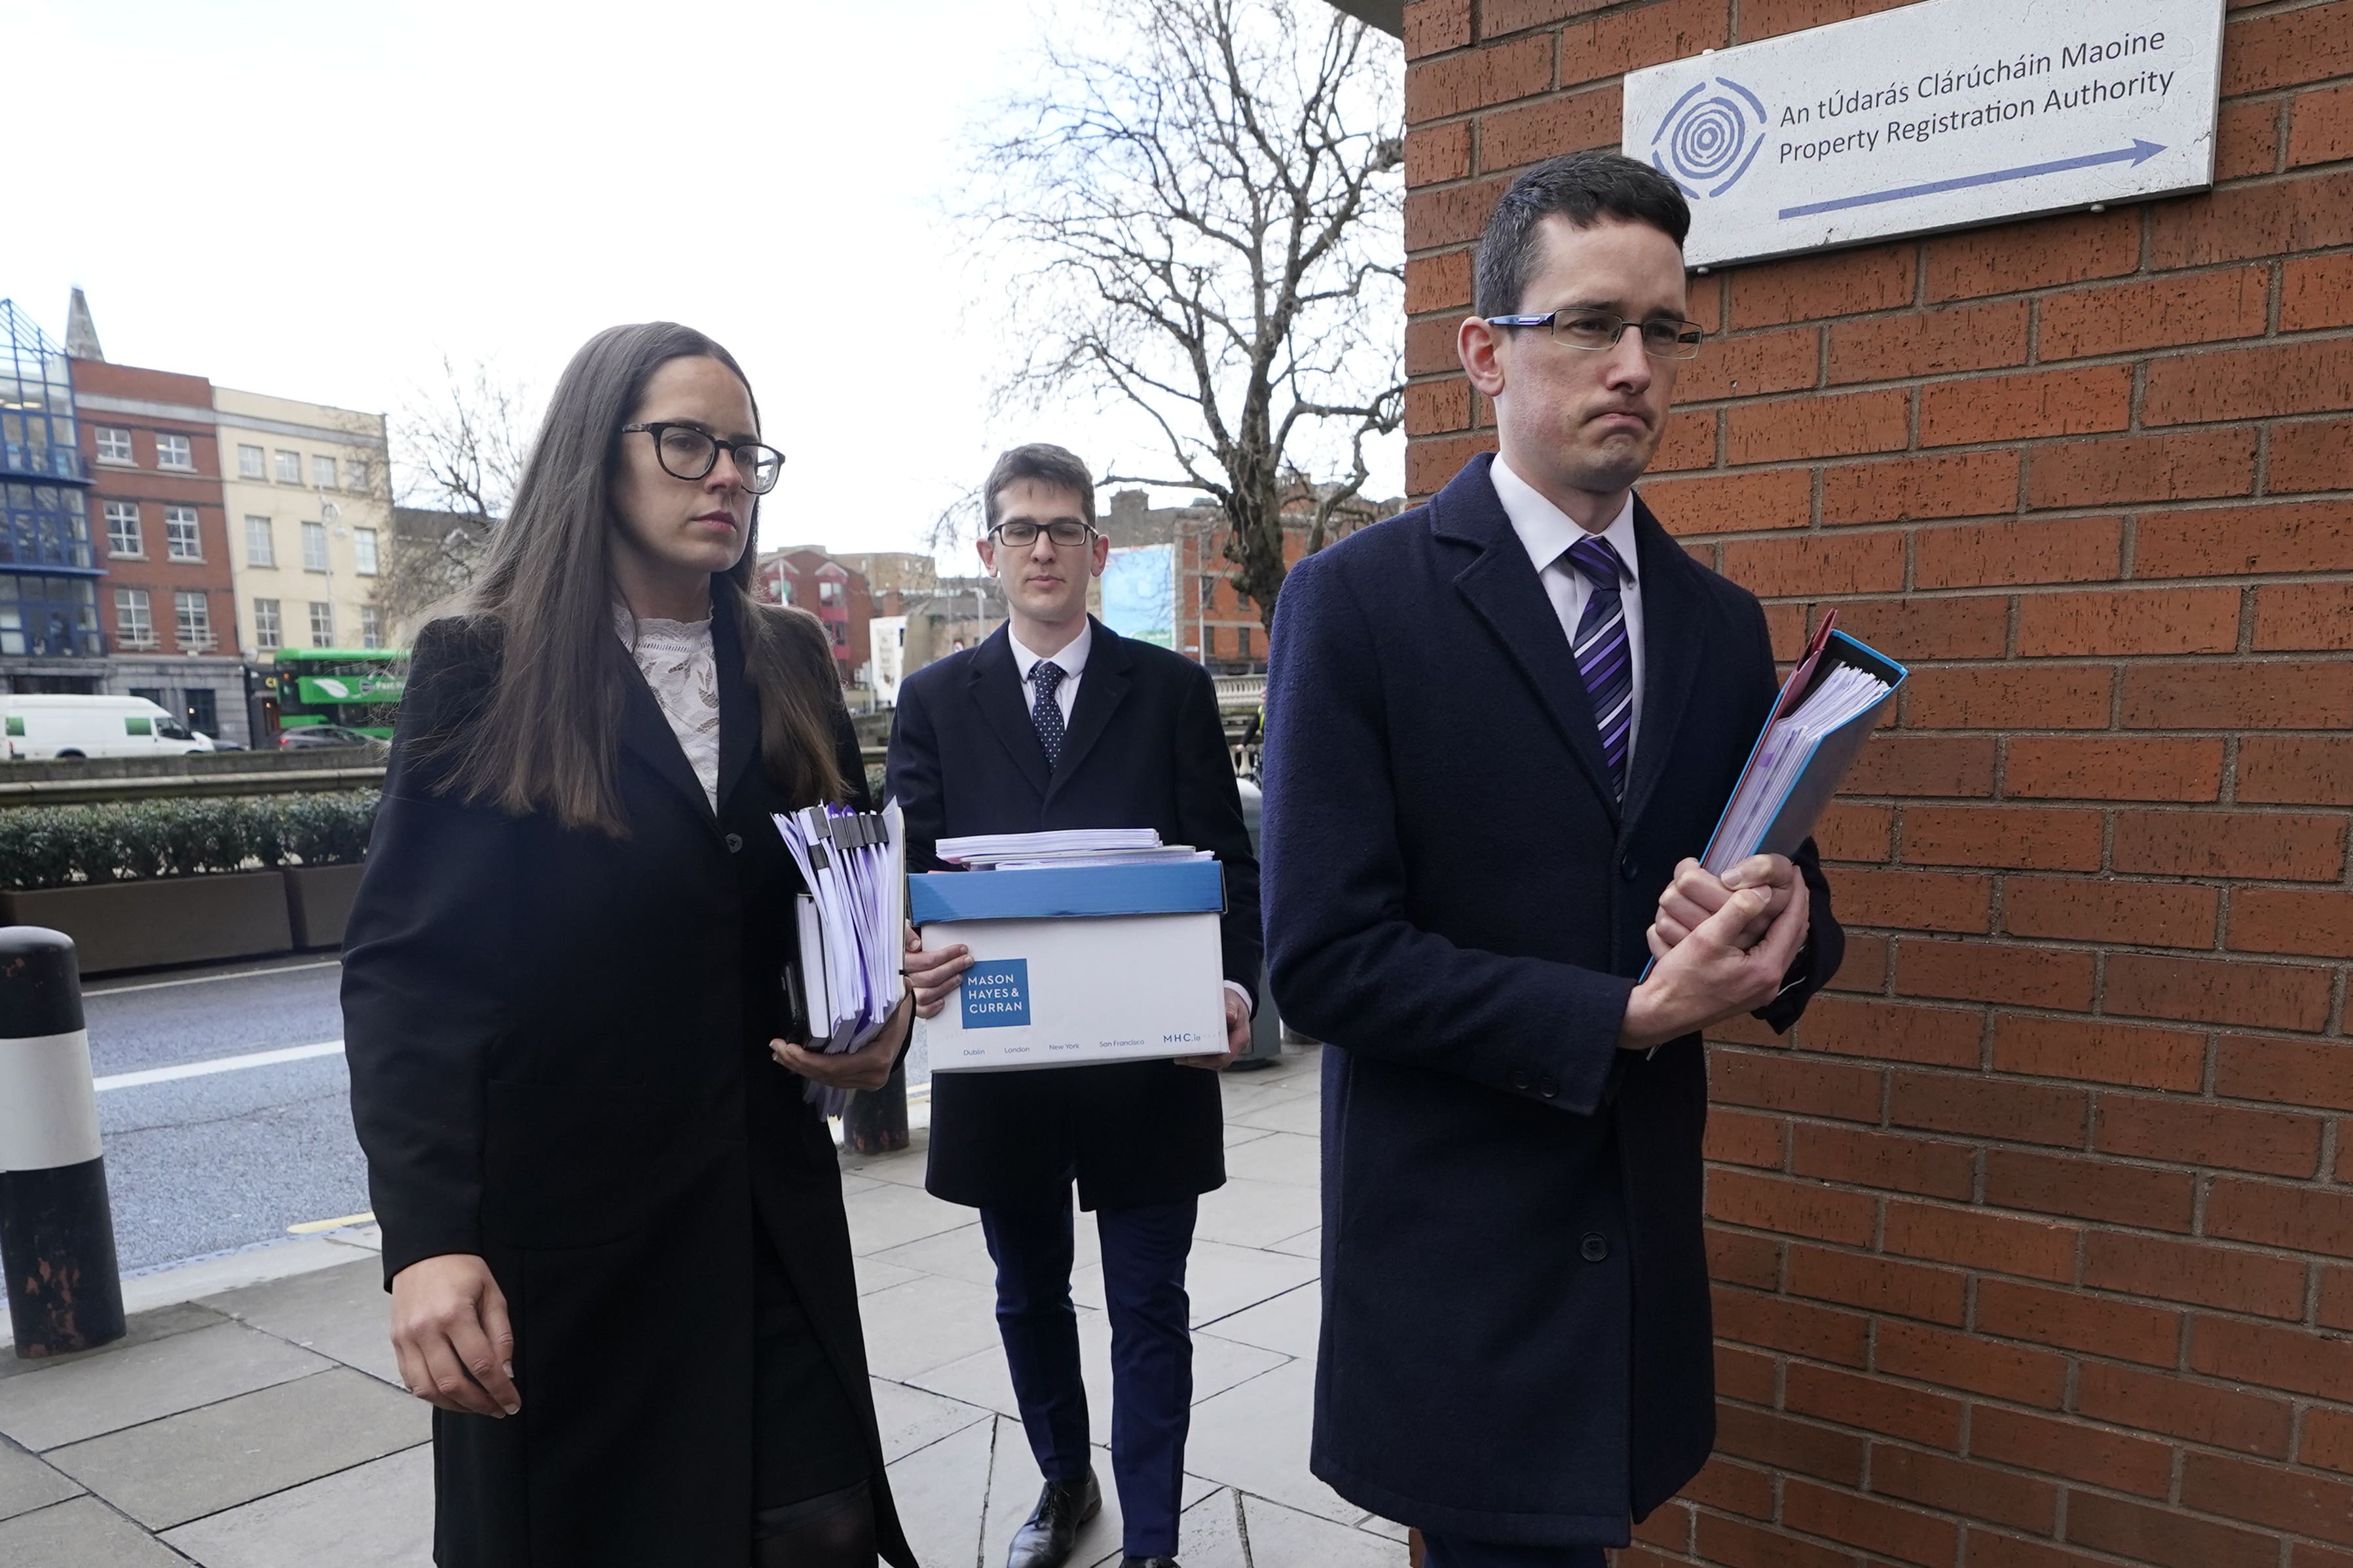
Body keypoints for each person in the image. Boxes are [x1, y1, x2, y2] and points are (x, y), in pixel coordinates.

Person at [1259, 151, 1846, 1567]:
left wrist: (1789, 919)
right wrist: (1622, 1016)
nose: (1634, 365)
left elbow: (1788, 884)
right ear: (1484, 352)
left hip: (1636, 1260)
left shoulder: (1716, 622)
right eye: (1590, 323)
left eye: (1664, 329)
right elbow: (1325, 959)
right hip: (1459, 1264)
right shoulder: (1356, 604)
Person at [342, 321, 917, 1568]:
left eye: (744, 454)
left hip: (760, 1208)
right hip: (566, 1233)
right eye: (687, 443)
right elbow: (408, 977)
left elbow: (835, 902)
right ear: (597, 459)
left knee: (821, 1526)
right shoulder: (482, 666)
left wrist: (879, 1025)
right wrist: (428, 1241)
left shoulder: (791, 662)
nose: (723, 476)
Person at [889, 444, 1261, 1568]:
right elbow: (907, 879)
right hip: (1004, 1056)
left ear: (1097, 551)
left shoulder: (1174, 692)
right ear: (987, 551)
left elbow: (1229, 869)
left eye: (1061, 529)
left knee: (1150, 1306)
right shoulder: (932, 703)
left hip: (1148, 1066)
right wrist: (905, 954)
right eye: (1019, 529)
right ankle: (1062, 1484)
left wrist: (1233, 989)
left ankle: (1151, 1537)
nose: (1041, 548)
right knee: (1028, 1294)